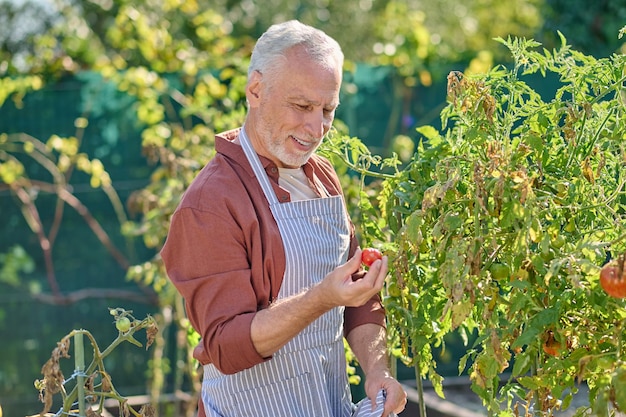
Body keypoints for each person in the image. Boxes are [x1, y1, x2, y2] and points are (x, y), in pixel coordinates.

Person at [161, 20, 407, 417]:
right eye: (302, 106)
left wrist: (378, 371)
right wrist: (321, 298)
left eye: (328, 109)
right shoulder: (211, 202)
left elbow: (359, 294)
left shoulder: (322, 175)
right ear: (256, 90)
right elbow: (225, 345)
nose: (317, 128)